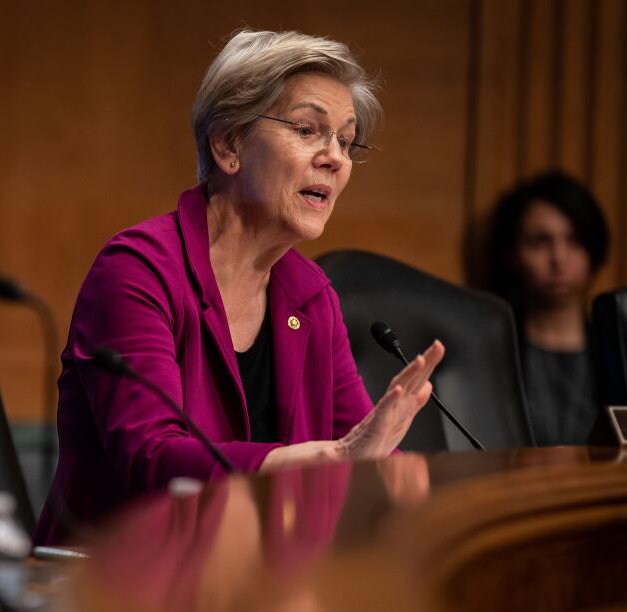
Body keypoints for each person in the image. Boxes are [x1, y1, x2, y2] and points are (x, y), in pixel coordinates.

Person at [34, 30, 444, 545]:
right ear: (228, 144)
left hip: (247, 594)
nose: (335, 158)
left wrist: (417, 488)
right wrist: (333, 459)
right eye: (308, 130)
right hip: (113, 589)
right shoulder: (138, 270)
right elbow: (153, 458)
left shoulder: (310, 296)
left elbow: (361, 444)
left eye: (345, 139)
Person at [488, 171, 609, 445]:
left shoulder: (617, 352)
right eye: (540, 242)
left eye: (575, 241)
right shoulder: (493, 352)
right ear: (512, 253)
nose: (559, 258)